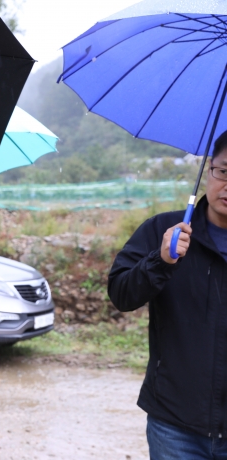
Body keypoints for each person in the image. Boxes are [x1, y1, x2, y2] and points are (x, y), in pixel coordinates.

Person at [108, 130, 227, 459]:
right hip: (175, 426)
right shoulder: (163, 231)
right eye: (223, 171)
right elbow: (121, 294)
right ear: (208, 171)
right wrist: (160, 261)